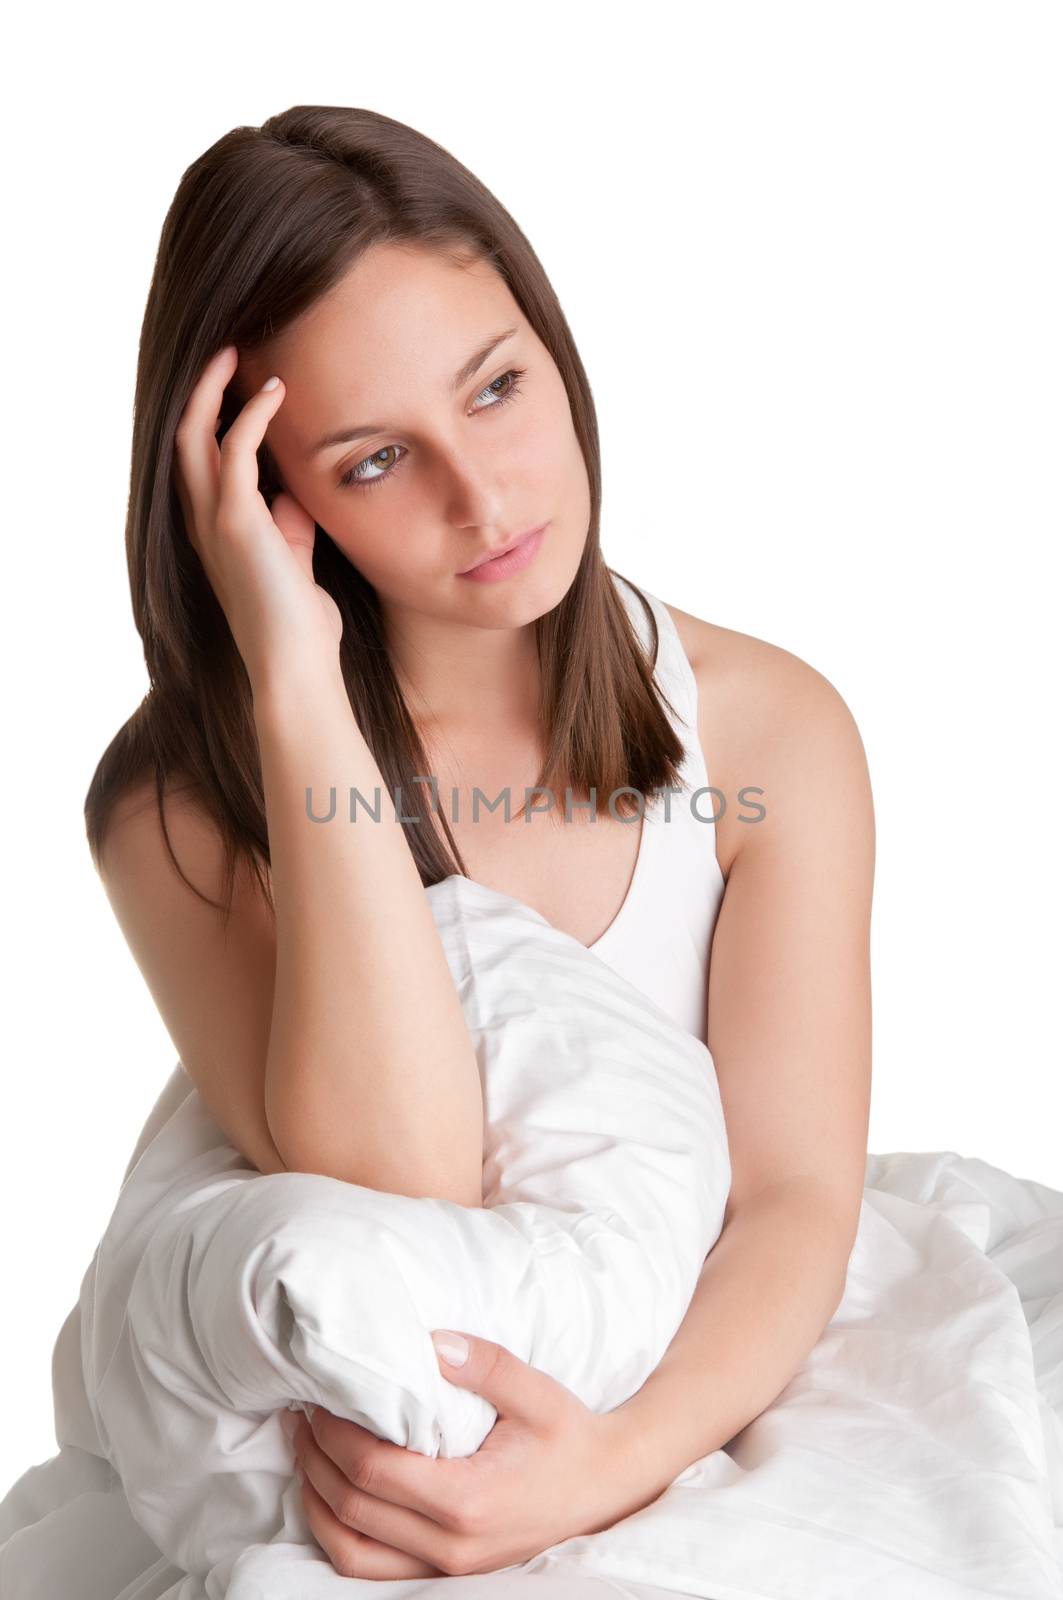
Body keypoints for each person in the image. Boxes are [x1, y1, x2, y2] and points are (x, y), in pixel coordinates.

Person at [83, 104, 875, 1582]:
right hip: (366, 1466)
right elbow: (400, 1167)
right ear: (267, 498)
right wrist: (296, 684)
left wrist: (606, 1469)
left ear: (553, 346)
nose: (486, 496)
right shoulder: (179, 810)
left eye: (498, 387)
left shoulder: (771, 739)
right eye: (376, 460)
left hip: (707, 1397)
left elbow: (794, 1200)